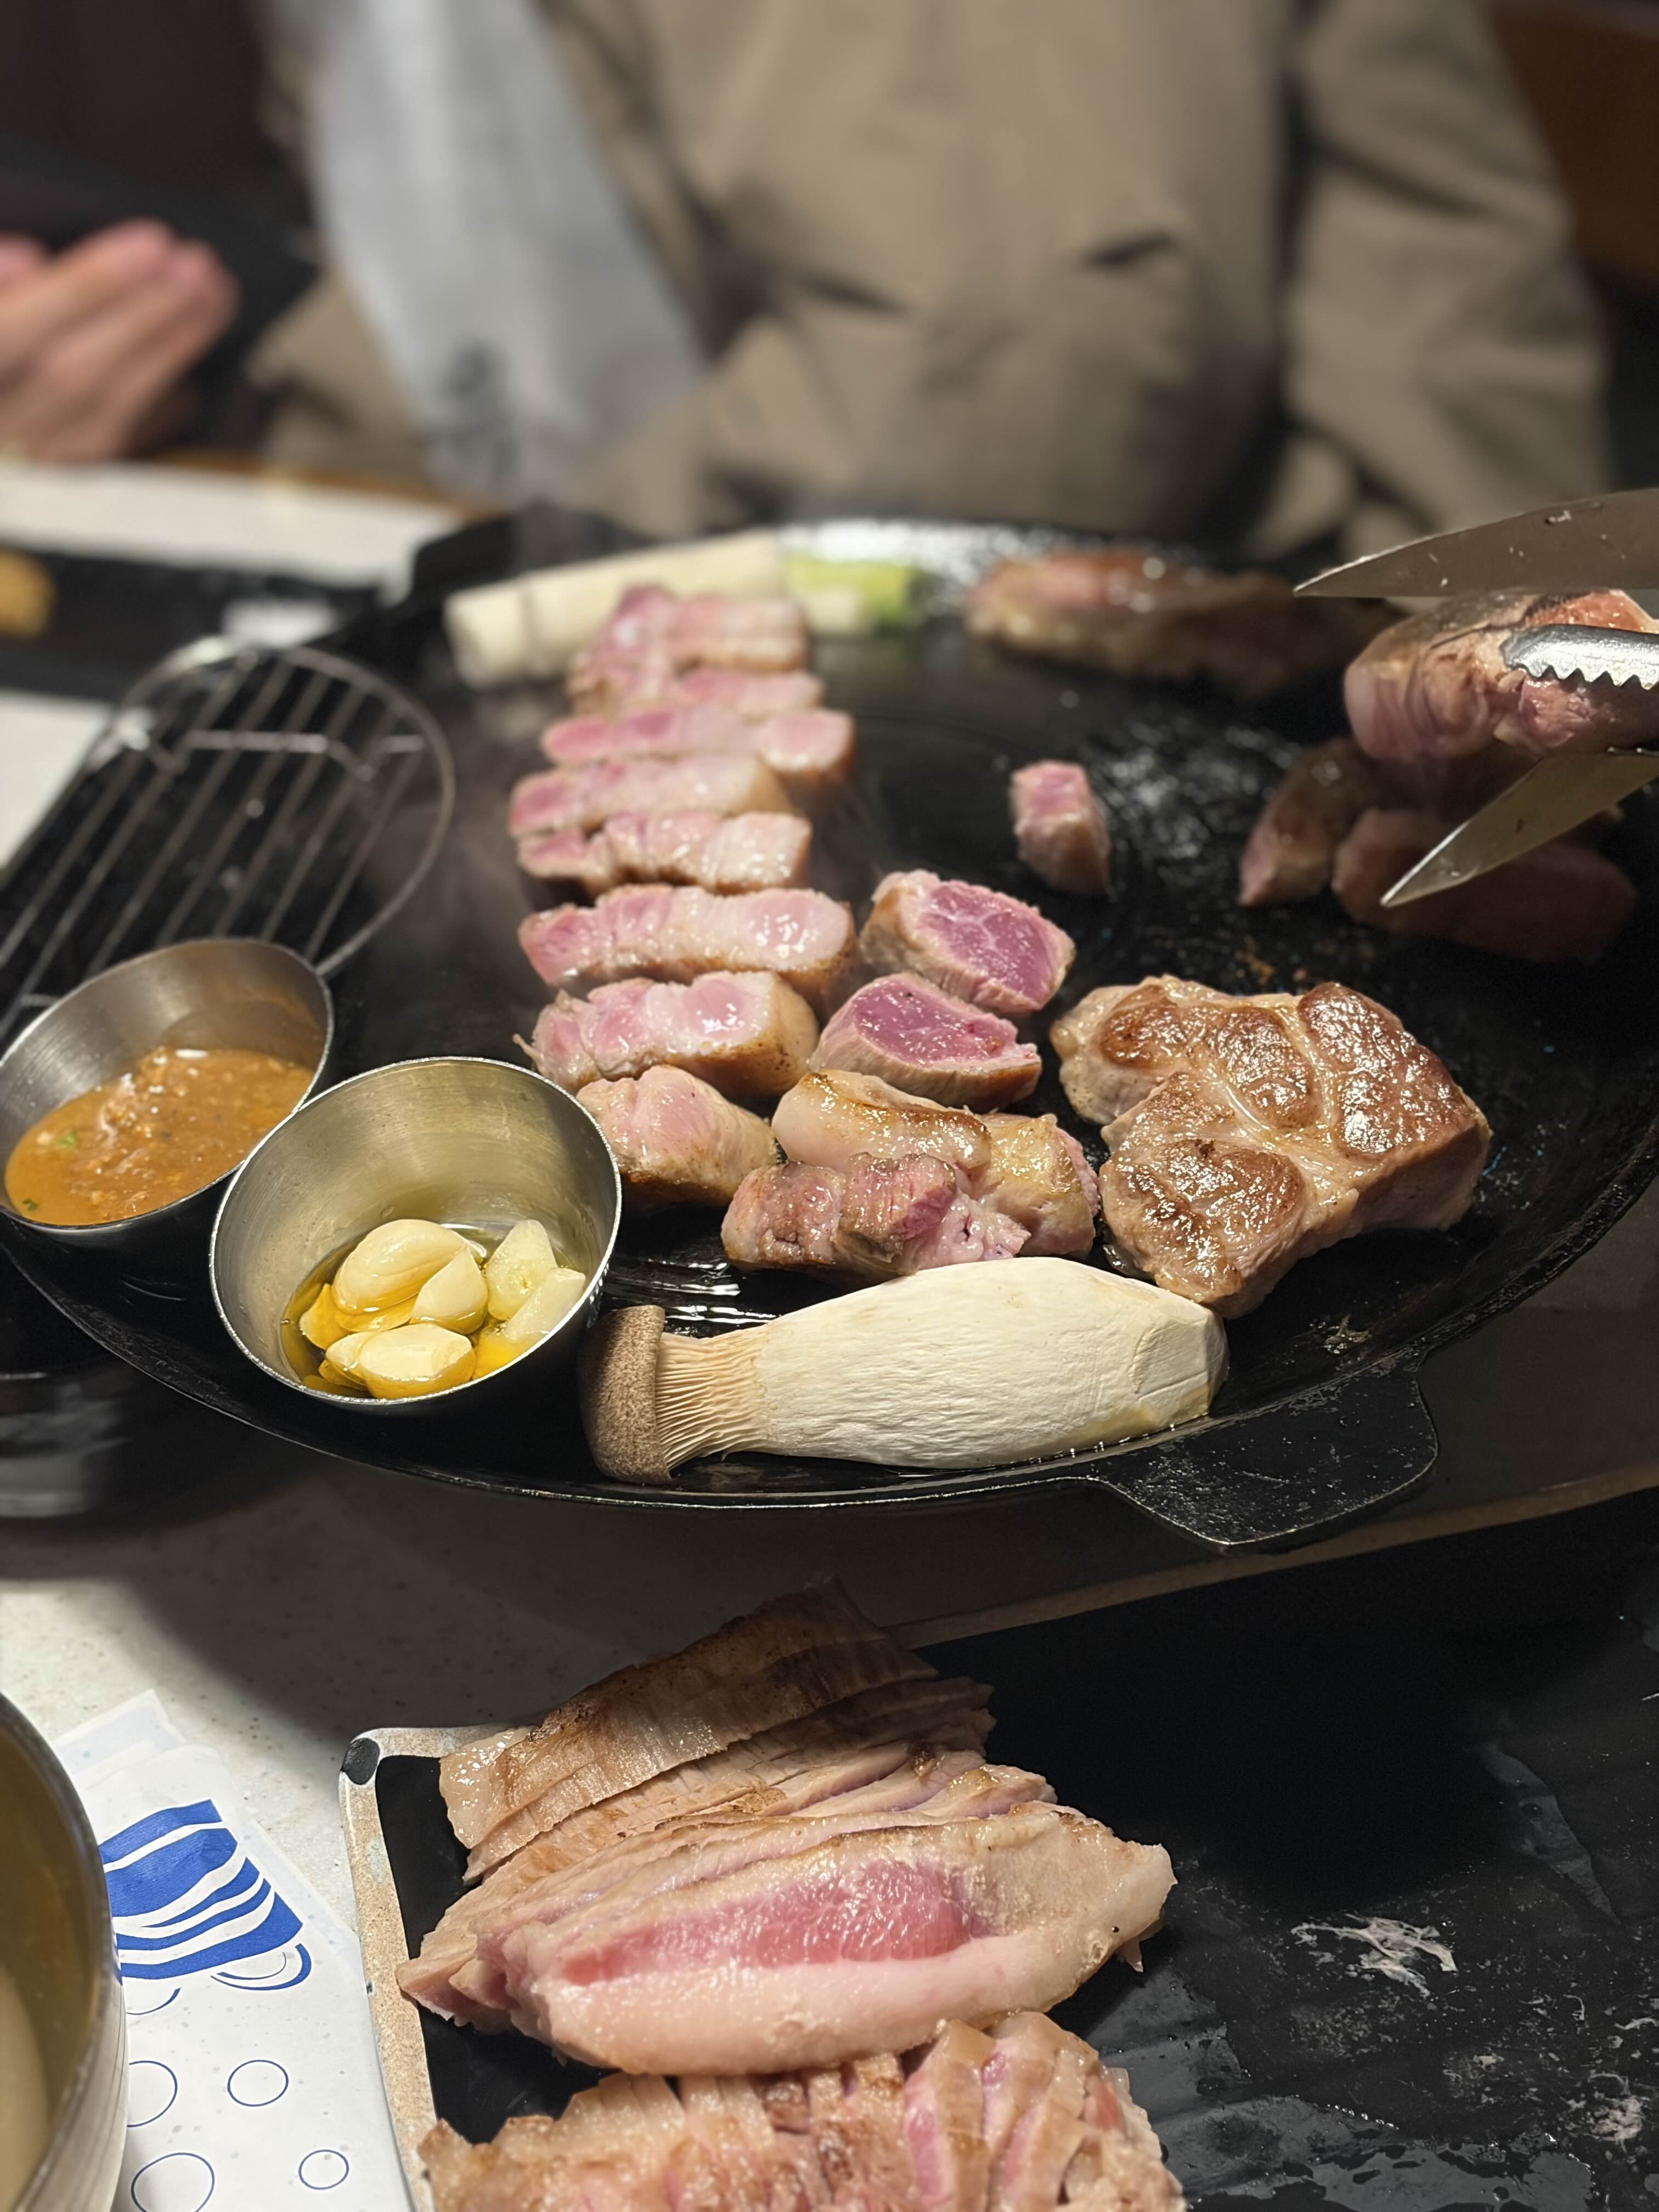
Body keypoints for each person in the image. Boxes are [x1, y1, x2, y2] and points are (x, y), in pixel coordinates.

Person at [0, 1, 1612, 561]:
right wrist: (150, 389)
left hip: (1339, 734)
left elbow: (1004, 379)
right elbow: (503, 267)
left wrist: (469, 581)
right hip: (823, 592)